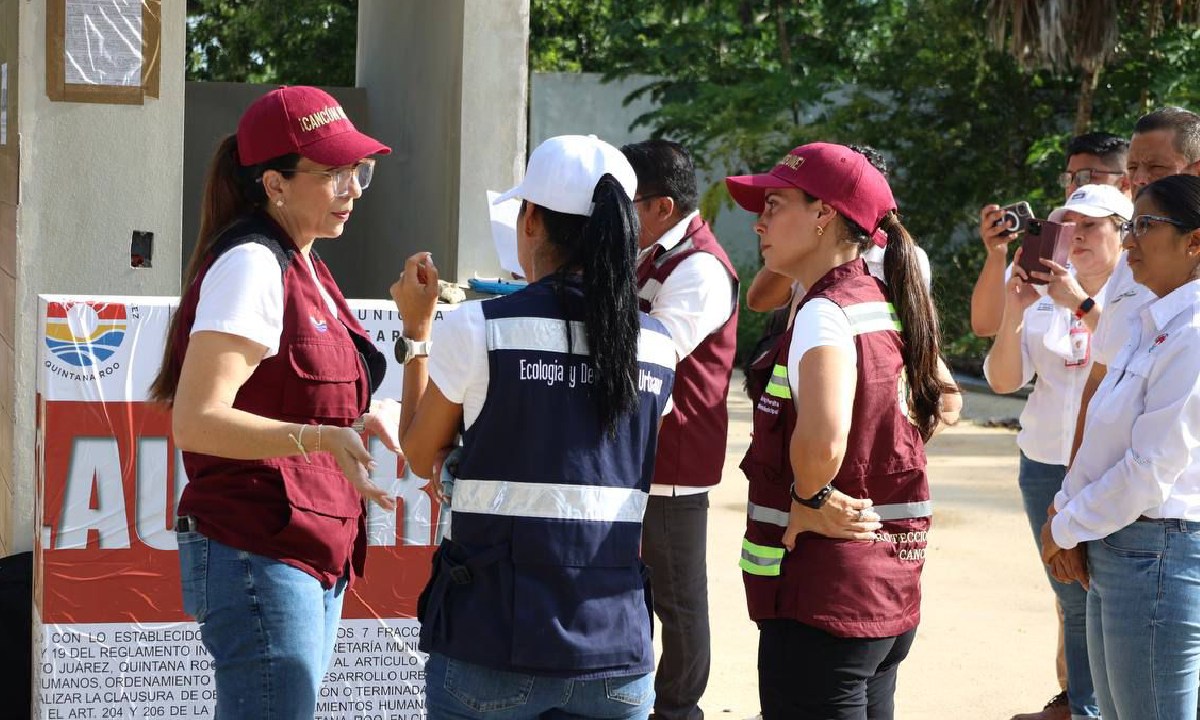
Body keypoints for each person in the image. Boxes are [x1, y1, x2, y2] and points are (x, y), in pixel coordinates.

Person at [394, 134, 677, 720]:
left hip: (491, 643)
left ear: (530, 220)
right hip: (616, 650)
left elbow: (421, 456)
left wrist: (417, 334)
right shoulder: (656, 346)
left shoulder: (479, 329)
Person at [149, 86, 398, 718]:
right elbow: (197, 420)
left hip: (307, 548)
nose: (355, 189)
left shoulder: (305, 263)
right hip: (259, 548)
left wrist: (363, 418)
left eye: (358, 171)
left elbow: (292, 391)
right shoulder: (253, 264)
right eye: (335, 172)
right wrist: (320, 437)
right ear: (275, 185)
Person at [725, 143, 960, 719]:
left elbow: (826, 440)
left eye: (776, 204)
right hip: (884, 588)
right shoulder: (881, 301)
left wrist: (811, 499)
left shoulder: (826, 313)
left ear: (824, 214)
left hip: (824, 597)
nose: (760, 221)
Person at [1042, 174, 1200, 718]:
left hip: (1158, 553)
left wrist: (1066, 524)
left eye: (1145, 227)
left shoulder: (1194, 332)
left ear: (1195, 242)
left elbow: (1150, 468)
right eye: (1131, 228)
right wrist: (1066, 506)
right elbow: (1103, 435)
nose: (1129, 242)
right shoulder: (1153, 320)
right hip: (1119, 543)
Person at [984, 184, 1132, 720]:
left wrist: (1082, 304)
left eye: (1092, 225)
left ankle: (1109, 708)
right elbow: (1003, 381)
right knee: (1069, 591)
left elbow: (1132, 352)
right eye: (1069, 225)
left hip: (1113, 464)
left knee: (1111, 592)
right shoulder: (1039, 288)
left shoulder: (1139, 289)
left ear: (1123, 231)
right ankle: (1084, 707)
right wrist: (1016, 310)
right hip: (1045, 461)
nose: (1079, 235)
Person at [619, 139, 738, 720]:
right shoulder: (653, 252)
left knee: (679, 600)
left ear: (660, 207)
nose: (614, 214)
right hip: (643, 455)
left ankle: (678, 708)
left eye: (625, 201)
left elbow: (652, 351)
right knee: (643, 593)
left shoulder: (700, 268)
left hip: (674, 463)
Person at [972, 132, 1130, 340]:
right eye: (1069, 178)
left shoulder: (1148, 254)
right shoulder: (1049, 247)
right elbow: (985, 325)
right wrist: (996, 255)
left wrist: (1080, 304)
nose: (1074, 187)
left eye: (1086, 176)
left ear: (1125, 182)